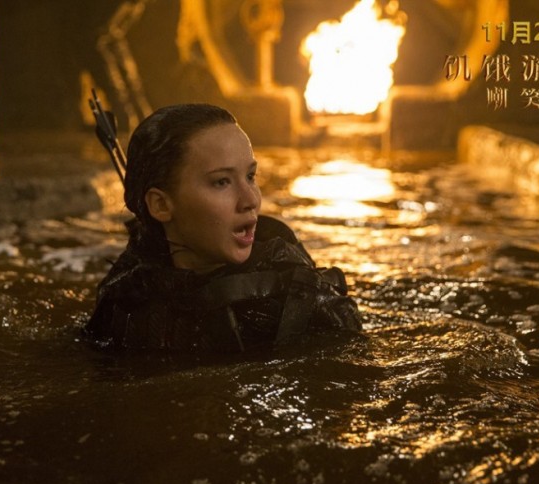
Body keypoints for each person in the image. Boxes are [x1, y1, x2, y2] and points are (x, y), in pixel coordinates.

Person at [85, 103, 361, 351]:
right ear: (161, 205)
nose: (251, 200)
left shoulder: (299, 301)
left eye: (250, 176)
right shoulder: (125, 304)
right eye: (221, 182)